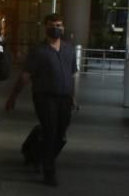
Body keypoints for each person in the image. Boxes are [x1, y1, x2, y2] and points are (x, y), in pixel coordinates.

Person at [6, 13, 78, 186]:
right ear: (45, 27)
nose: (56, 28)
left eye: (59, 25)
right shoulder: (38, 51)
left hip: (65, 98)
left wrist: (73, 97)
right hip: (44, 97)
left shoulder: (69, 50)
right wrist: (13, 96)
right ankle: (49, 171)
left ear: (63, 27)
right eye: (52, 25)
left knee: (60, 134)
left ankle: (35, 153)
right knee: (50, 130)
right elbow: (25, 75)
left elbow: (72, 74)